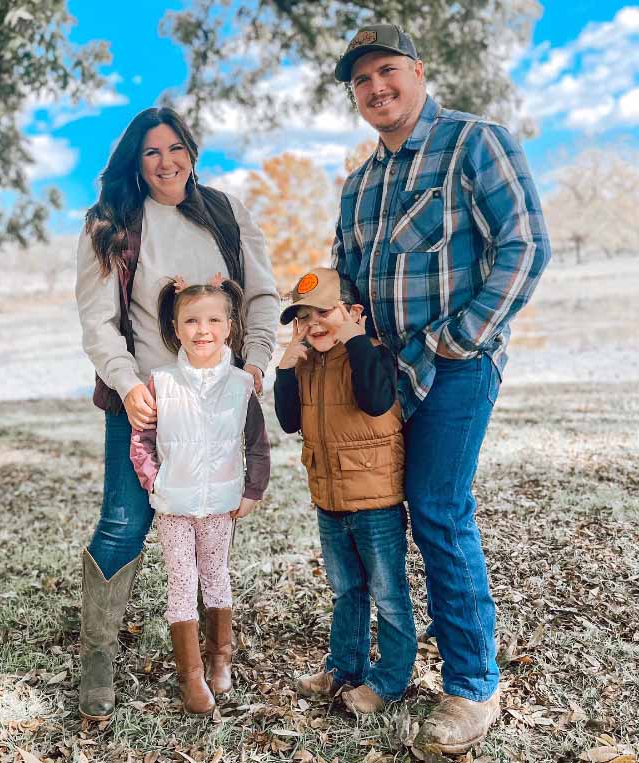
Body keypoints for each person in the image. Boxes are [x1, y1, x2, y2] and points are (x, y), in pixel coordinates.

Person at [331, 24, 551, 752]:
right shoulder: (361, 183)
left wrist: (461, 337)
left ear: (419, 71)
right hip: (384, 376)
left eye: (388, 71)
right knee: (377, 517)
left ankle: (473, 684)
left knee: (438, 507)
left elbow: (525, 244)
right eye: (362, 81)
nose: (376, 89)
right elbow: (349, 281)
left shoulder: (473, 142)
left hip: (458, 364)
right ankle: (389, 668)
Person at [74, 107, 279, 723]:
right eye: (151, 153)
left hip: (216, 395)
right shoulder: (113, 224)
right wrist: (127, 383)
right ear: (134, 163)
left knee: (210, 523)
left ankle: (216, 650)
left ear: (192, 150)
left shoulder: (225, 211)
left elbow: (264, 295)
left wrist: (257, 365)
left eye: (175, 148)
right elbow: (98, 320)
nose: (166, 163)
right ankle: (98, 658)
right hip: (147, 401)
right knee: (124, 522)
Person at [273, 267, 417, 715]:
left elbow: (375, 401)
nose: (312, 324)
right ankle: (344, 668)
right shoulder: (308, 365)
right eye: (302, 317)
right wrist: (284, 368)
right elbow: (289, 421)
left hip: (376, 501)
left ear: (354, 313)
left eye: (324, 312)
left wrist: (354, 338)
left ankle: (390, 679)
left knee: (388, 592)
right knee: (346, 590)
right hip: (329, 498)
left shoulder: (371, 353)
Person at [129, 277, 271, 714]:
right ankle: (191, 676)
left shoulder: (241, 385)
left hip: (221, 504)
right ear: (176, 328)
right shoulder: (161, 382)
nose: (202, 329)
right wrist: (154, 480)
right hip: (174, 506)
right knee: (181, 583)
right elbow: (142, 438)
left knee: (216, 576)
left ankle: (220, 659)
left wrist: (253, 489)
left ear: (230, 327)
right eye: (191, 320)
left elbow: (257, 444)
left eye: (213, 320)